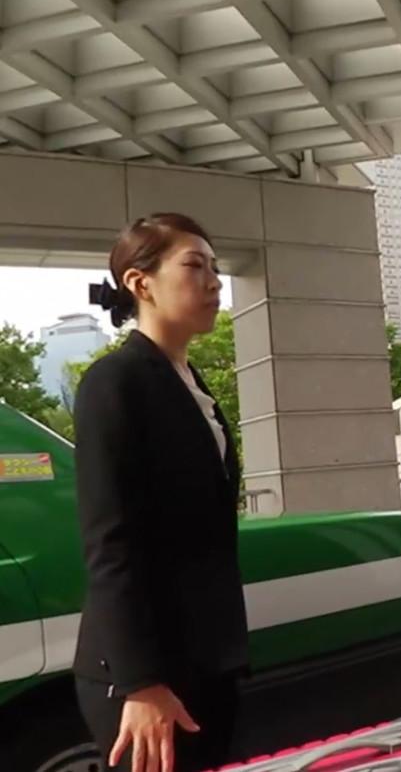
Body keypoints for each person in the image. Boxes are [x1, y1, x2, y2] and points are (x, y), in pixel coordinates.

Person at [74, 213, 246, 772]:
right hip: (142, 677)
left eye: (217, 269)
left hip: (205, 662)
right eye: (194, 266)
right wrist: (141, 683)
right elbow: (111, 544)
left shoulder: (195, 387)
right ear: (140, 283)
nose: (214, 281)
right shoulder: (114, 383)